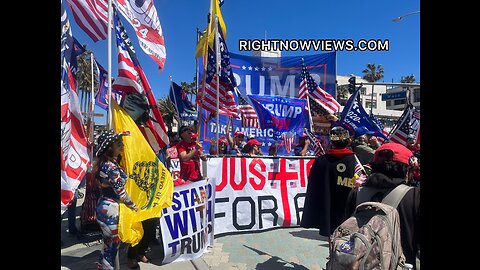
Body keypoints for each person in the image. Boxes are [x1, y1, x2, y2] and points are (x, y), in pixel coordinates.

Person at [345, 142, 420, 269]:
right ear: (406, 170)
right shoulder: (414, 196)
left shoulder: (356, 193)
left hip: (359, 264)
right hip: (401, 265)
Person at [300, 126, 359, 237]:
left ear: (331, 142)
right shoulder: (354, 160)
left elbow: (314, 188)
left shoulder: (320, 161)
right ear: (348, 142)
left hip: (328, 208)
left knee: (331, 236)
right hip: (348, 208)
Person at [93, 130, 139, 270]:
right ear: (109, 148)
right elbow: (121, 192)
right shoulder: (111, 167)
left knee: (108, 245)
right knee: (112, 247)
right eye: (119, 144)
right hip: (110, 210)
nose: (122, 146)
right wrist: (133, 205)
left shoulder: (106, 163)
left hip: (105, 207)